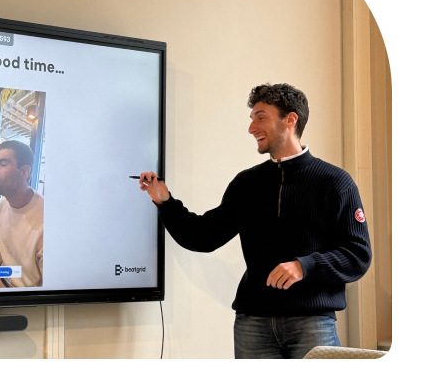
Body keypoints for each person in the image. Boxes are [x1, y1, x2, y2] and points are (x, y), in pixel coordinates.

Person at [139, 83, 372, 359]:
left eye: (260, 117)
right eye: (252, 120)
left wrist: (304, 266)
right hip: (253, 325)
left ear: (290, 119)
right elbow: (203, 236)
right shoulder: (246, 184)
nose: (251, 128)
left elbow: (358, 255)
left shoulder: (335, 182)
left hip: (312, 324)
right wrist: (165, 202)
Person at [0, 140, 43, 287]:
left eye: (3, 164)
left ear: (24, 172)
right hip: (0, 284)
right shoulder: (2, 205)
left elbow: (52, 289)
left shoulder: (47, 219)